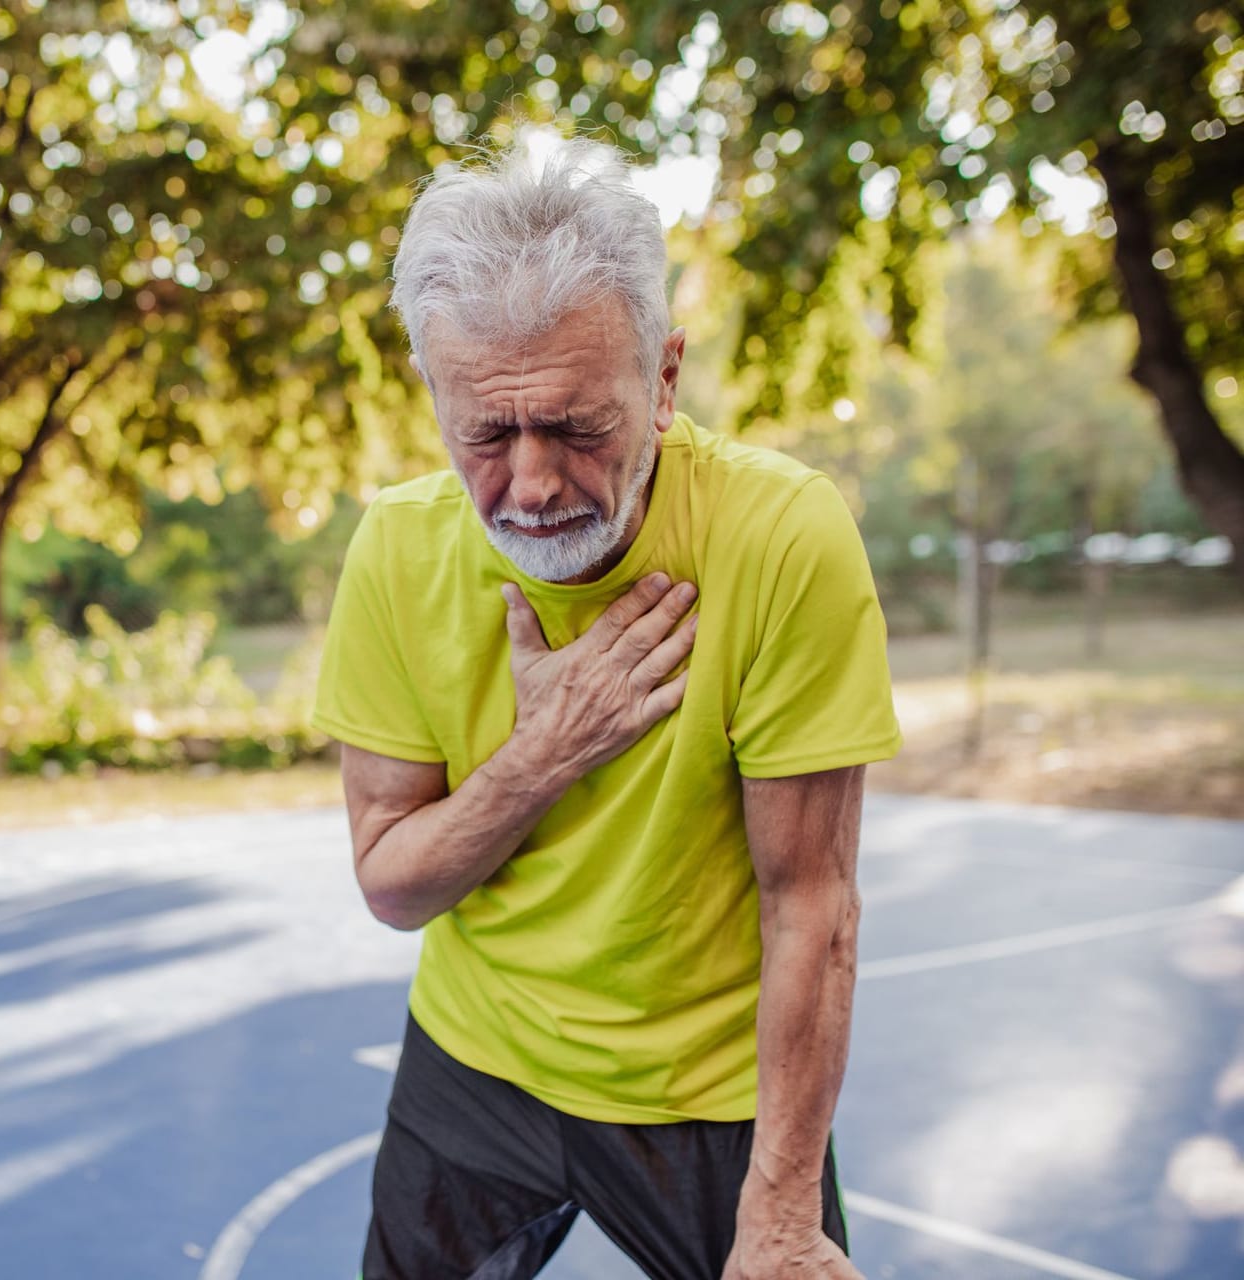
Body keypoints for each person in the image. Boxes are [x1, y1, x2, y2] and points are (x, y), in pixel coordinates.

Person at [312, 138, 902, 1280]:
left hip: (711, 1086)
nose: (530, 483)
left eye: (579, 428)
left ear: (665, 376)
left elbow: (812, 903)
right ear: (435, 392)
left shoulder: (780, 536)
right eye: (485, 431)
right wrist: (546, 753)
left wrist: (778, 1211)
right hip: (476, 1058)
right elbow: (394, 883)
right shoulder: (397, 546)